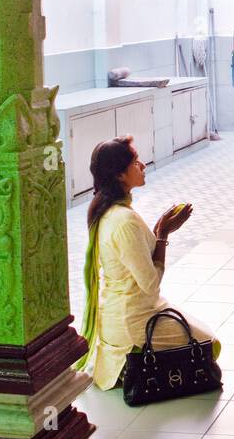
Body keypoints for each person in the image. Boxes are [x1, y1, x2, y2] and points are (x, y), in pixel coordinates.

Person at [74, 136, 219, 390]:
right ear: (120, 175)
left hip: (127, 313)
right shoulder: (123, 221)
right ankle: (130, 364)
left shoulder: (111, 212)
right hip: (134, 322)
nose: (142, 165)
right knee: (210, 344)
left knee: (202, 337)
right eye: (135, 162)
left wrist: (159, 231)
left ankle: (131, 363)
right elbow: (150, 284)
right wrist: (162, 235)